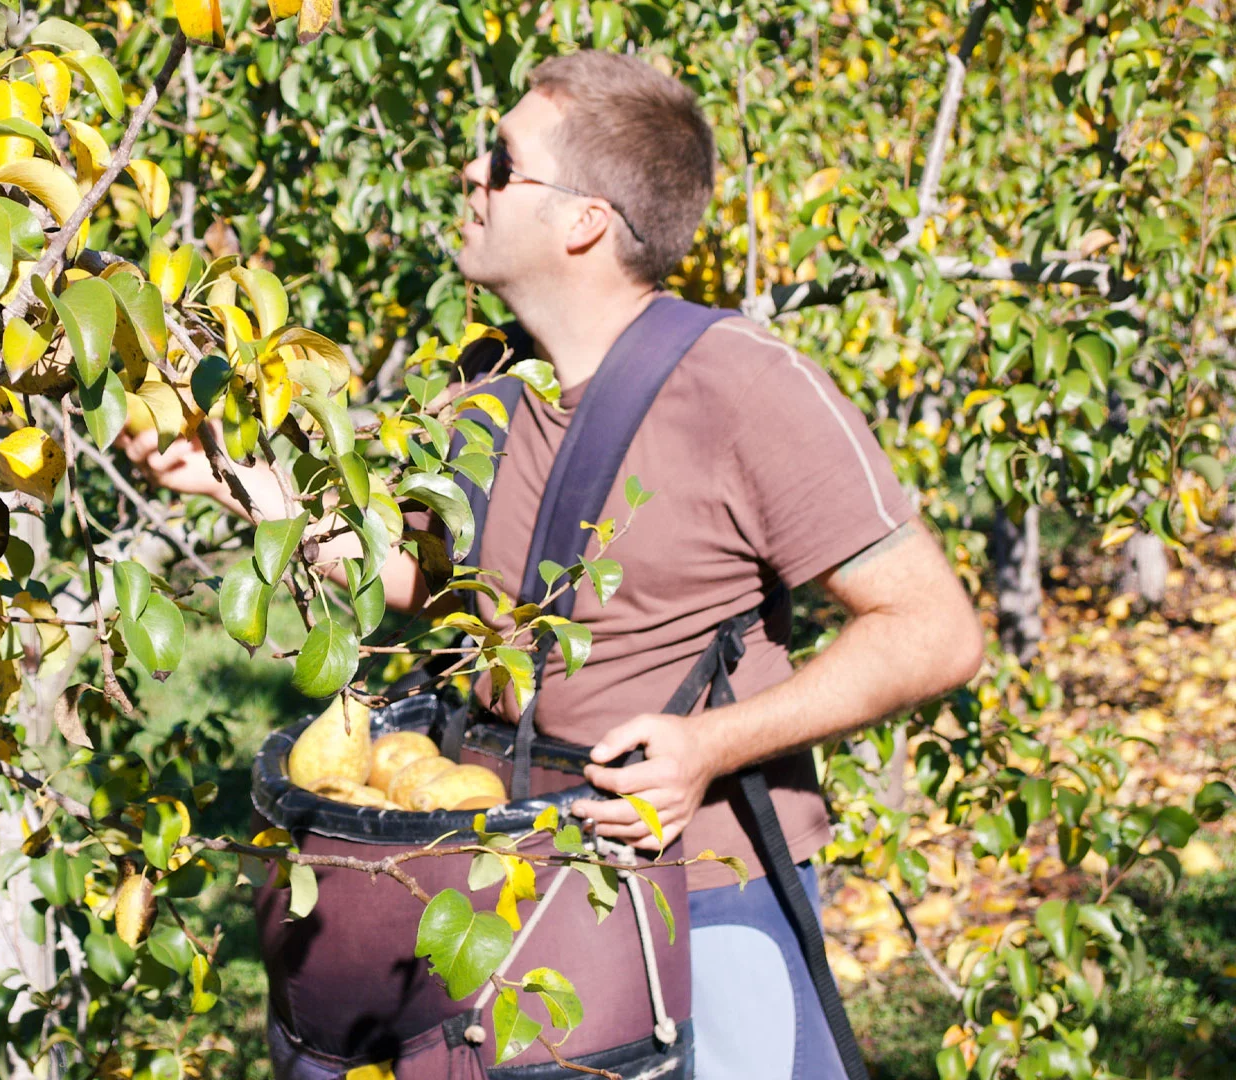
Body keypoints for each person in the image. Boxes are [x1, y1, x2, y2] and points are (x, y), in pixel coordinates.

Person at [121, 49, 984, 1080]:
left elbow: (935, 629)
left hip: (692, 902)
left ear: (585, 220)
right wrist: (227, 474)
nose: (468, 180)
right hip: (504, 887)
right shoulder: (490, 380)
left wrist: (712, 744)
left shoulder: (744, 388)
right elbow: (423, 572)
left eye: (500, 162)